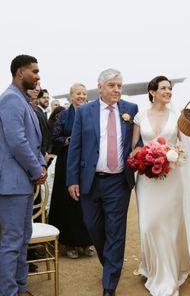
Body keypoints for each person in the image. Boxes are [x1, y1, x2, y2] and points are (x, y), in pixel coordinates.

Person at [131, 75, 190, 296]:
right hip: (147, 180)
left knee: (170, 226)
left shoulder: (177, 115)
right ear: (152, 92)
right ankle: (152, 268)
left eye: (170, 88)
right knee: (149, 224)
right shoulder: (140, 116)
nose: (168, 92)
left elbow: (183, 146)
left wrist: (174, 155)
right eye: (164, 88)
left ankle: (170, 273)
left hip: (172, 177)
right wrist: (143, 157)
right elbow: (134, 148)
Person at [67, 69, 140, 296]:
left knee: (116, 231)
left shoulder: (130, 110)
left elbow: (138, 142)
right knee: (94, 227)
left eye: (119, 85)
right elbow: (75, 147)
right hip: (90, 182)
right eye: (112, 85)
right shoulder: (85, 112)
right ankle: (109, 263)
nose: (117, 89)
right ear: (100, 87)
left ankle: (110, 284)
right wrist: (72, 180)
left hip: (119, 181)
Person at [0, 54, 47, 296]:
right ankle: (8, 291)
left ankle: (20, 287)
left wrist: (41, 165)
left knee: (23, 239)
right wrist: (35, 169)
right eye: (34, 71)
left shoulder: (23, 101)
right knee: (12, 242)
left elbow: (33, 142)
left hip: (24, 183)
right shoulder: (10, 99)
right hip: (13, 184)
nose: (38, 76)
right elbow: (17, 142)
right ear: (20, 72)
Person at [49, 83, 93, 259]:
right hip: (66, 163)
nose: (81, 96)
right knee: (68, 203)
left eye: (83, 93)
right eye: (77, 93)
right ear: (71, 96)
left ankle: (85, 242)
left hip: (86, 163)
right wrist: (70, 140)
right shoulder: (63, 115)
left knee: (86, 202)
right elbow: (55, 138)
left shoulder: (90, 113)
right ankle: (69, 243)